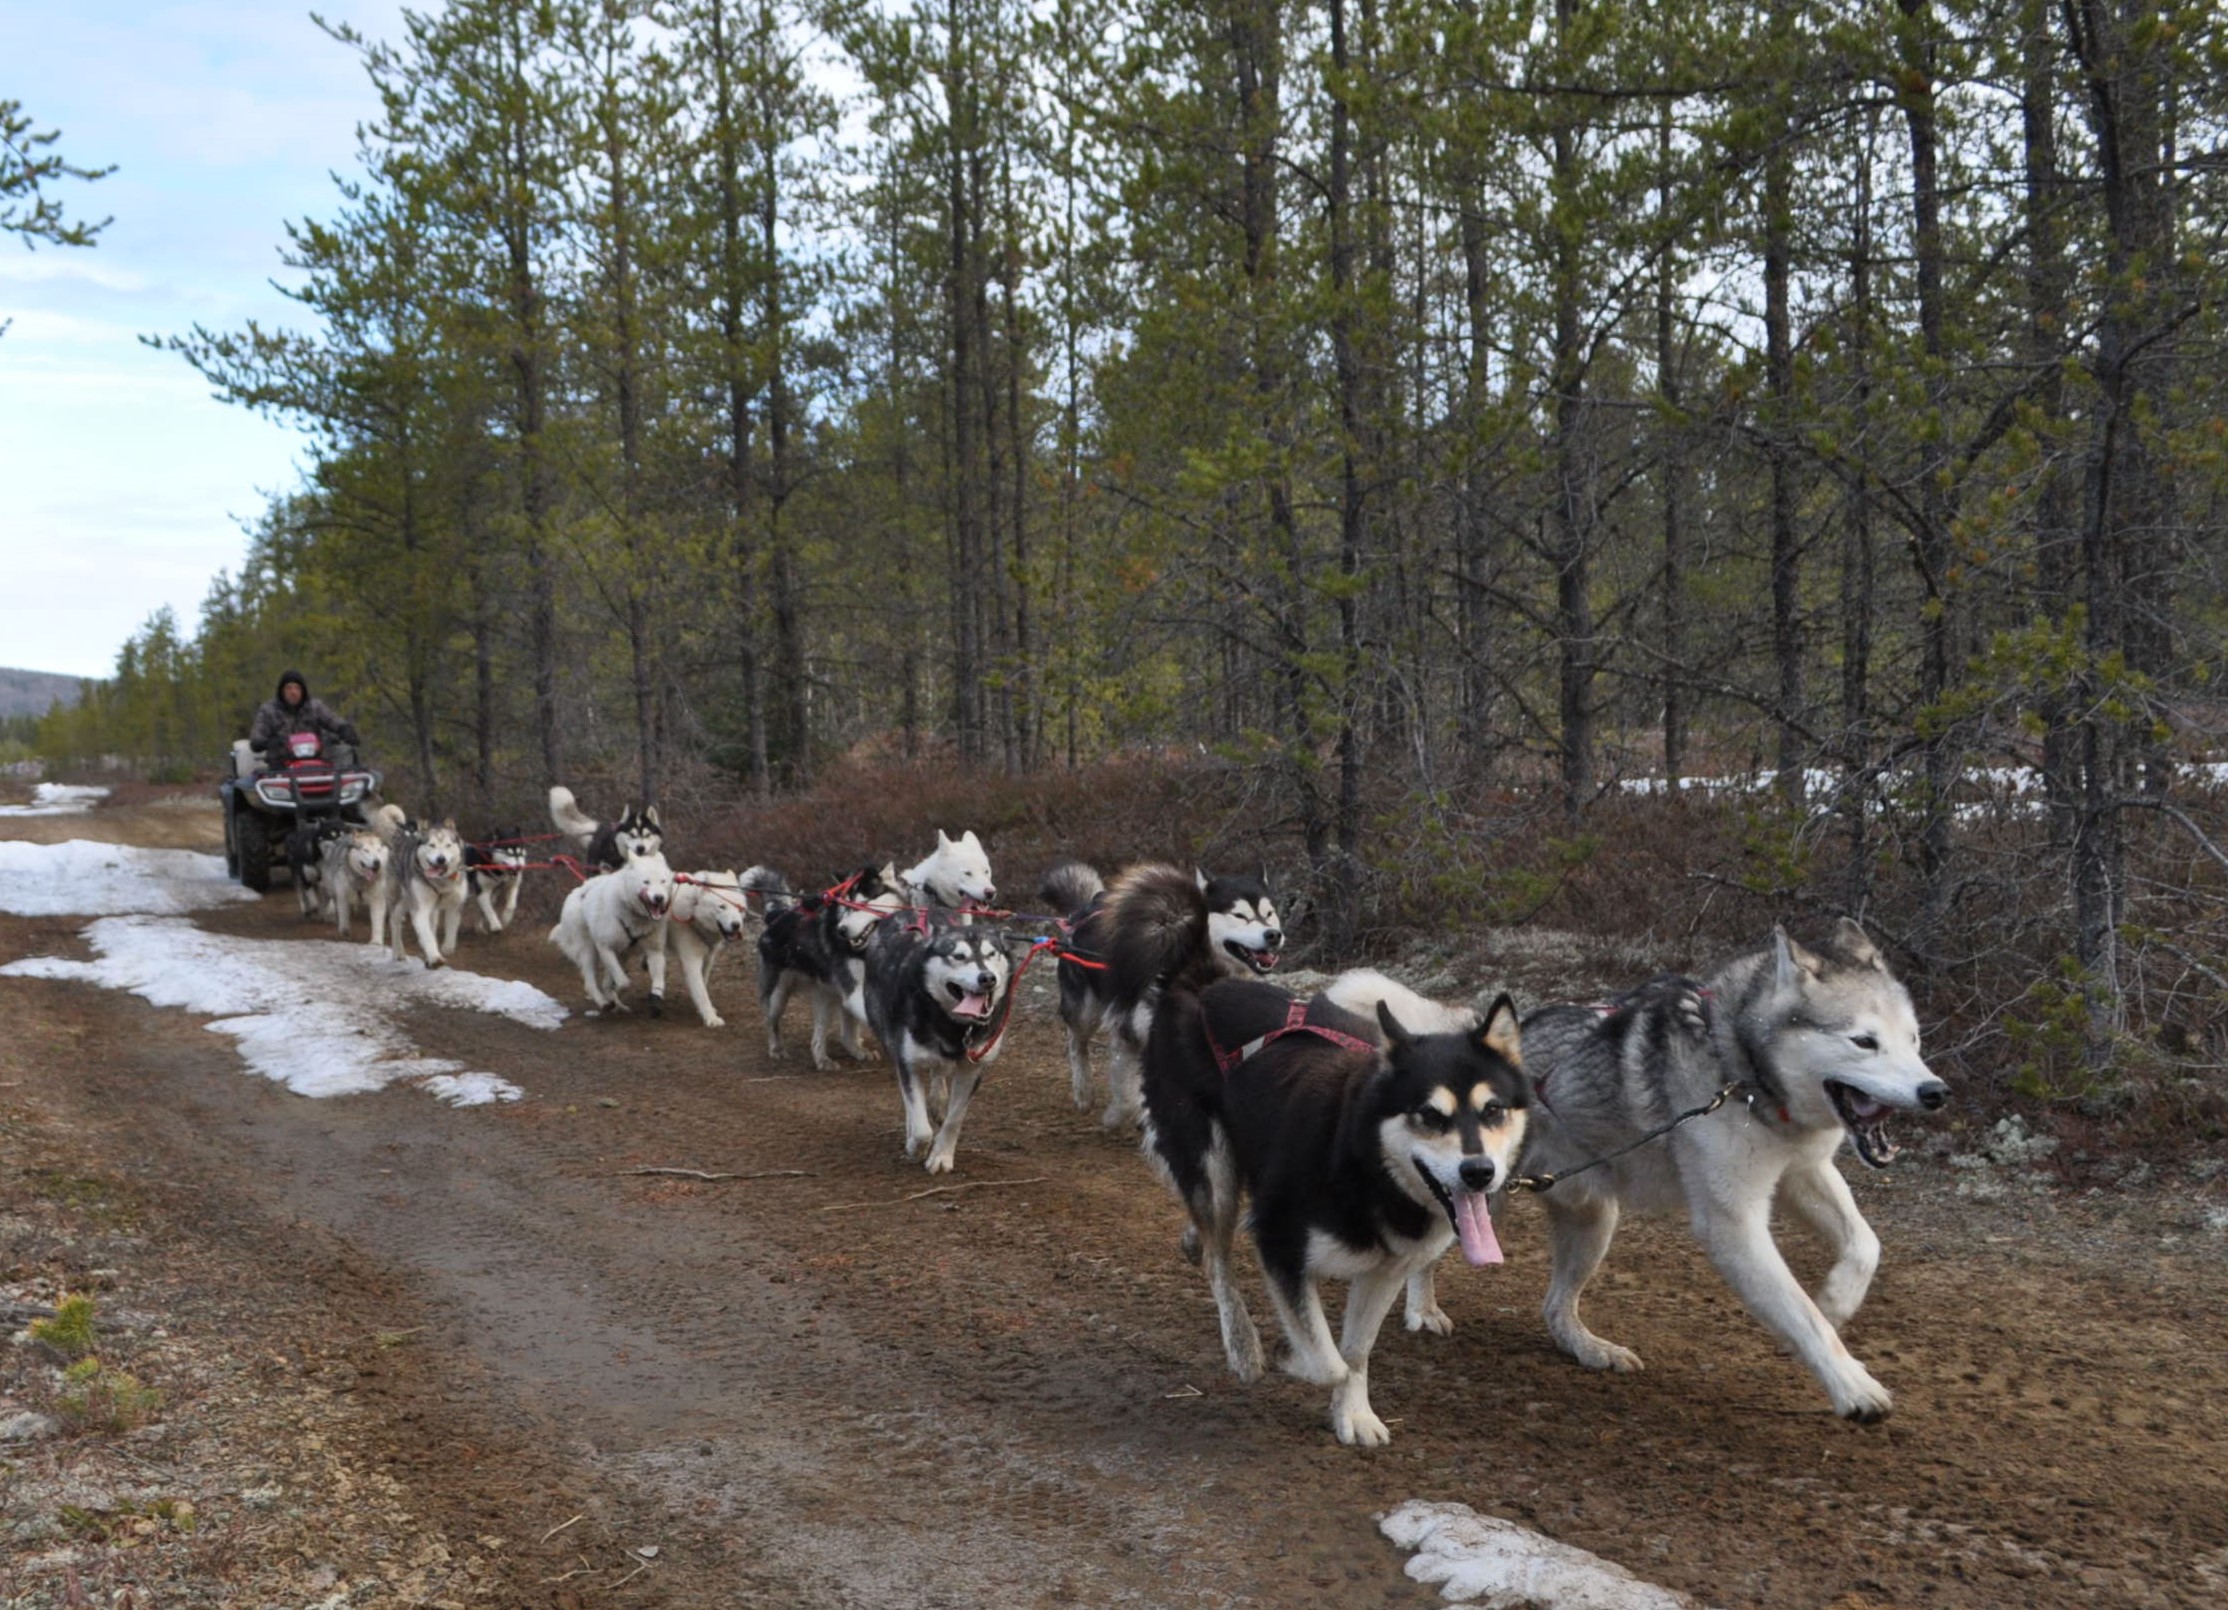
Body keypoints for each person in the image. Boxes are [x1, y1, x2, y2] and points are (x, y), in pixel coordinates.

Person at [248, 669, 360, 765]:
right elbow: (257, 737)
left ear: (303, 691)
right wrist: (270, 742)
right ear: (281, 691)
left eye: (297, 688)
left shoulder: (315, 707)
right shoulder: (268, 711)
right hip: (281, 764)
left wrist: (344, 729)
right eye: (289, 688)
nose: (293, 692)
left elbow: (332, 720)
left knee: (346, 753)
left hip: (316, 760)